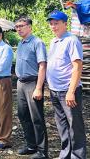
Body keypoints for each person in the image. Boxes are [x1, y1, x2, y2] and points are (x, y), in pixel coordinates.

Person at [46, 10, 87, 159]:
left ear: (65, 23)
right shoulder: (54, 41)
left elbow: (77, 67)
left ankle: (78, 156)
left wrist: (71, 91)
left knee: (75, 125)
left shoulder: (71, 40)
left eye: (56, 23)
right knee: (62, 125)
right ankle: (66, 154)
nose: (53, 26)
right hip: (55, 90)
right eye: (51, 24)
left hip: (68, 90)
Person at [14, 17, 48, 159]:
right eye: (16, 26)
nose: (19, 29)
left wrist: (39, 87)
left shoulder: (37, 42)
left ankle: (42, 151)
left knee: (37, 118)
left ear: (30, 27)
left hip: (33, 83)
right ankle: (30, 145)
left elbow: (42, 65)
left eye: (21, 26)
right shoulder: (21, 43)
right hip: (21, 83)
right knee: (23, 115)